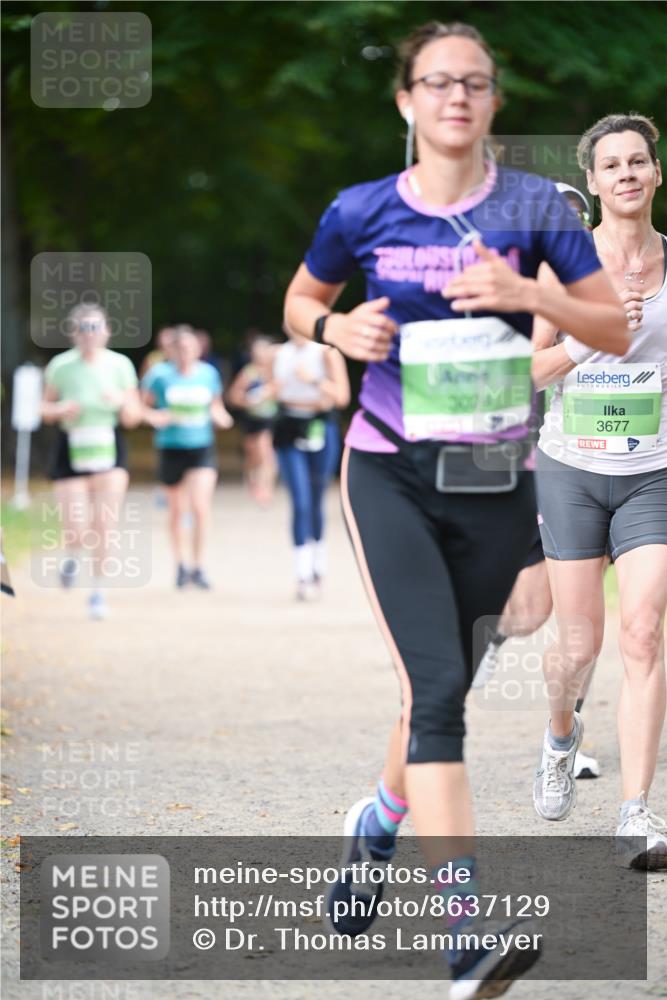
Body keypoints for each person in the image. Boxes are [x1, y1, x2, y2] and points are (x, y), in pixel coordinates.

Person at [284, 20, 628, 996]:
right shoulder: (358, 210)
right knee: (436, 695)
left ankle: (376, 826)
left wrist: (531, 291)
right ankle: (465, 939)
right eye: (435, 83)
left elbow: (610, 321)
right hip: (389, 471)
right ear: (405, 101)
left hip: (493, 482)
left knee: (446, 689)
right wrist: (333, 324)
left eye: (474, 84)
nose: (455, 99)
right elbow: (298, 300)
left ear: (493, 102)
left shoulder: (533, 208)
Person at [532, 113, 667, 869]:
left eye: (636, 162)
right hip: (572, 471)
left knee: (642, 632)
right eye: (609, 164)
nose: (623, 174)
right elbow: (528, 369)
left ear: (654, 175)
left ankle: (635, 812)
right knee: (576, 645)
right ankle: (559, 735)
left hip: (653, 470)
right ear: (591, 181)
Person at [473, 182, 601, 781]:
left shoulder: (599, 288)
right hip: (509, 461)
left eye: (577, 219)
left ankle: (567, 733)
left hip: (577, 465)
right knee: (529, 613)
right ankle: (495, 634)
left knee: (582, 618)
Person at [41, 303, 141, 619]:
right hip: (72, 445)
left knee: (104, 525)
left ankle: (98, 593)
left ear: (106, 331)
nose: (90, 335)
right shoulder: (60, 365)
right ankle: (72, 554)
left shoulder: (120, 365)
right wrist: (59, 410)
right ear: (74, 333)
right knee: (76, 527)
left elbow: (134, 417)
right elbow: (43, 409)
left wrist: (122, 401)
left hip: (108, 446)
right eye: (83, 329)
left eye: (95, 327)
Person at [141, 324, 233, 589]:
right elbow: (139, 406)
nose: (185, 353)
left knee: (201, 508)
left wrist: (221, 416)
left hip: (201, 447)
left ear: (198, 350)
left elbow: (216, 405)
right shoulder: (159, 375)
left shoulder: (208, 374)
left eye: (190, 348)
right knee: (177, 511)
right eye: (180, 348)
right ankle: (179, 564)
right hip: (171, 448)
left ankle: (198, 566)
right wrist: (155, 416)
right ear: (171, 350)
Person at [272, 332, 350, 599]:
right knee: (300, 500)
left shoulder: (326, 353)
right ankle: (302, 573)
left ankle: (319, 567)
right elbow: (271, 391)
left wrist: (314, 380)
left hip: (320, 426)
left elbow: (341, 397)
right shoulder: (277, 353)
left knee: (316, 499)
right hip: (289, 426)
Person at [226, 333, 279, 505]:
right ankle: (252, 480)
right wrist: (248, 400)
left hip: (271, 418)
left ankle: (266, 488)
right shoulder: (249, 372)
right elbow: (233, 396)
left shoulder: (277, 370)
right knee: (252, 452)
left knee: (266, 450)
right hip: (252, 418)